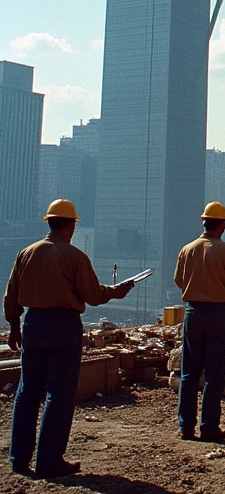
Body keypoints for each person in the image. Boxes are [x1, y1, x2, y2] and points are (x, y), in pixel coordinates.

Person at [3, 199, 134, 479]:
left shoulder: (26, 253)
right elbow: (93, 295)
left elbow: (11, 295)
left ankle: (18, 458)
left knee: (27, 392)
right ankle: (49, 461)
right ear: (72, 225)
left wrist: (15, 326)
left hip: (33, 324)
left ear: (49, 222)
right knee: (59, 393)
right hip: (63, 325)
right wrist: (116, 291)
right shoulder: (75, 257)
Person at [174, 201, 225, 442]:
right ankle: (209, 426)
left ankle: (185, 426)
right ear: (222, 225)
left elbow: (178, 280)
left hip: (193, 313)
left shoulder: (187, 249)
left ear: (204, 222)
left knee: (189, 372)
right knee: (215, 373)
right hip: (218, 315)